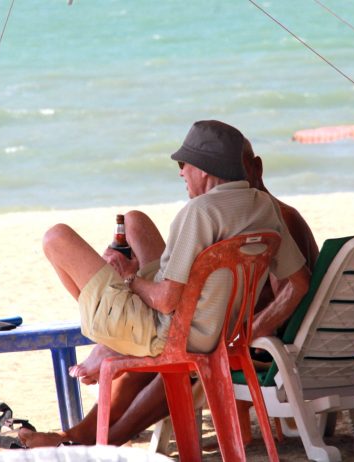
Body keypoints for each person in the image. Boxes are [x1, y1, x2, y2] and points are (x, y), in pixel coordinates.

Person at [20, 120, 311, 448]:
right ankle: (110, 334)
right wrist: (242, 331)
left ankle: (112, 336)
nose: (181, 172)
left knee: (55, 238)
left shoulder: (199, 212)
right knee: (134, 221)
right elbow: (299, 283)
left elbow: (167, 301)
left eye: (183, 164)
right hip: (213, 330)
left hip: (169, 331)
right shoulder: (265, 207)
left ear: (204, 168)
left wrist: (127, 280)